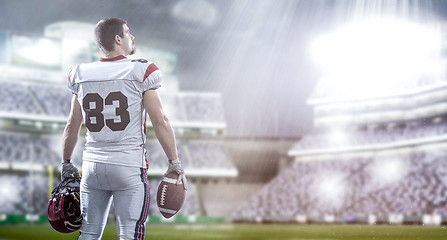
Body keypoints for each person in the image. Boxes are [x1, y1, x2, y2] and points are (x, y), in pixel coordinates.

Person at [61, 17, 187, 240]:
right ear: (118, 39)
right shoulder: (142, 70)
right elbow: (160, 121)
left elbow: (72, 124)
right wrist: (174, 162)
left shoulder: (80, 73)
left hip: (92, 167)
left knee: (89, 233)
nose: (133, 37)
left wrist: (66, 162)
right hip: (127, 166)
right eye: (128, 33)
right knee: (130, 235)